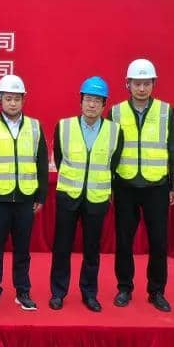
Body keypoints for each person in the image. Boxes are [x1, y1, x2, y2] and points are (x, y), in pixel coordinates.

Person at [108, 58, 174, 312]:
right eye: (137, 83)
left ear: (153, 84)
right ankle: (124, 288)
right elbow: (109, 151)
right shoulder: (116, 112)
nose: (141, 88)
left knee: (159, 242)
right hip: (125, 185)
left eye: (146, 83)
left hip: (157, 186)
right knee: (124, 241)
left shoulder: (166, 111)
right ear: (127, 84)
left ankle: (156, 291)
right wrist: (108, 185)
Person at [0, 74, 49, 311]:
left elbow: (42, 163)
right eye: (8, 98)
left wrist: (41, 196)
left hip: (25, 198)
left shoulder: (34, 127)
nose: (13, 103)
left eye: (17, 98)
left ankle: (23, 292)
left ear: (24, 99)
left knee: (23, 249)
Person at [50, 76, 123, 312]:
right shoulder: (64, 126)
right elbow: (59, 159)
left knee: (92, 250)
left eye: (97, 101)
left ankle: (89, 293)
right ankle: (58, 292)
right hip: (69, 196)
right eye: (88, 99)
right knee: (62, 248)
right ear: (81, 101)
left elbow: (113, 163)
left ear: (104, 105)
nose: (92, 104)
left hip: (97, 198)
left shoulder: (114, 131)